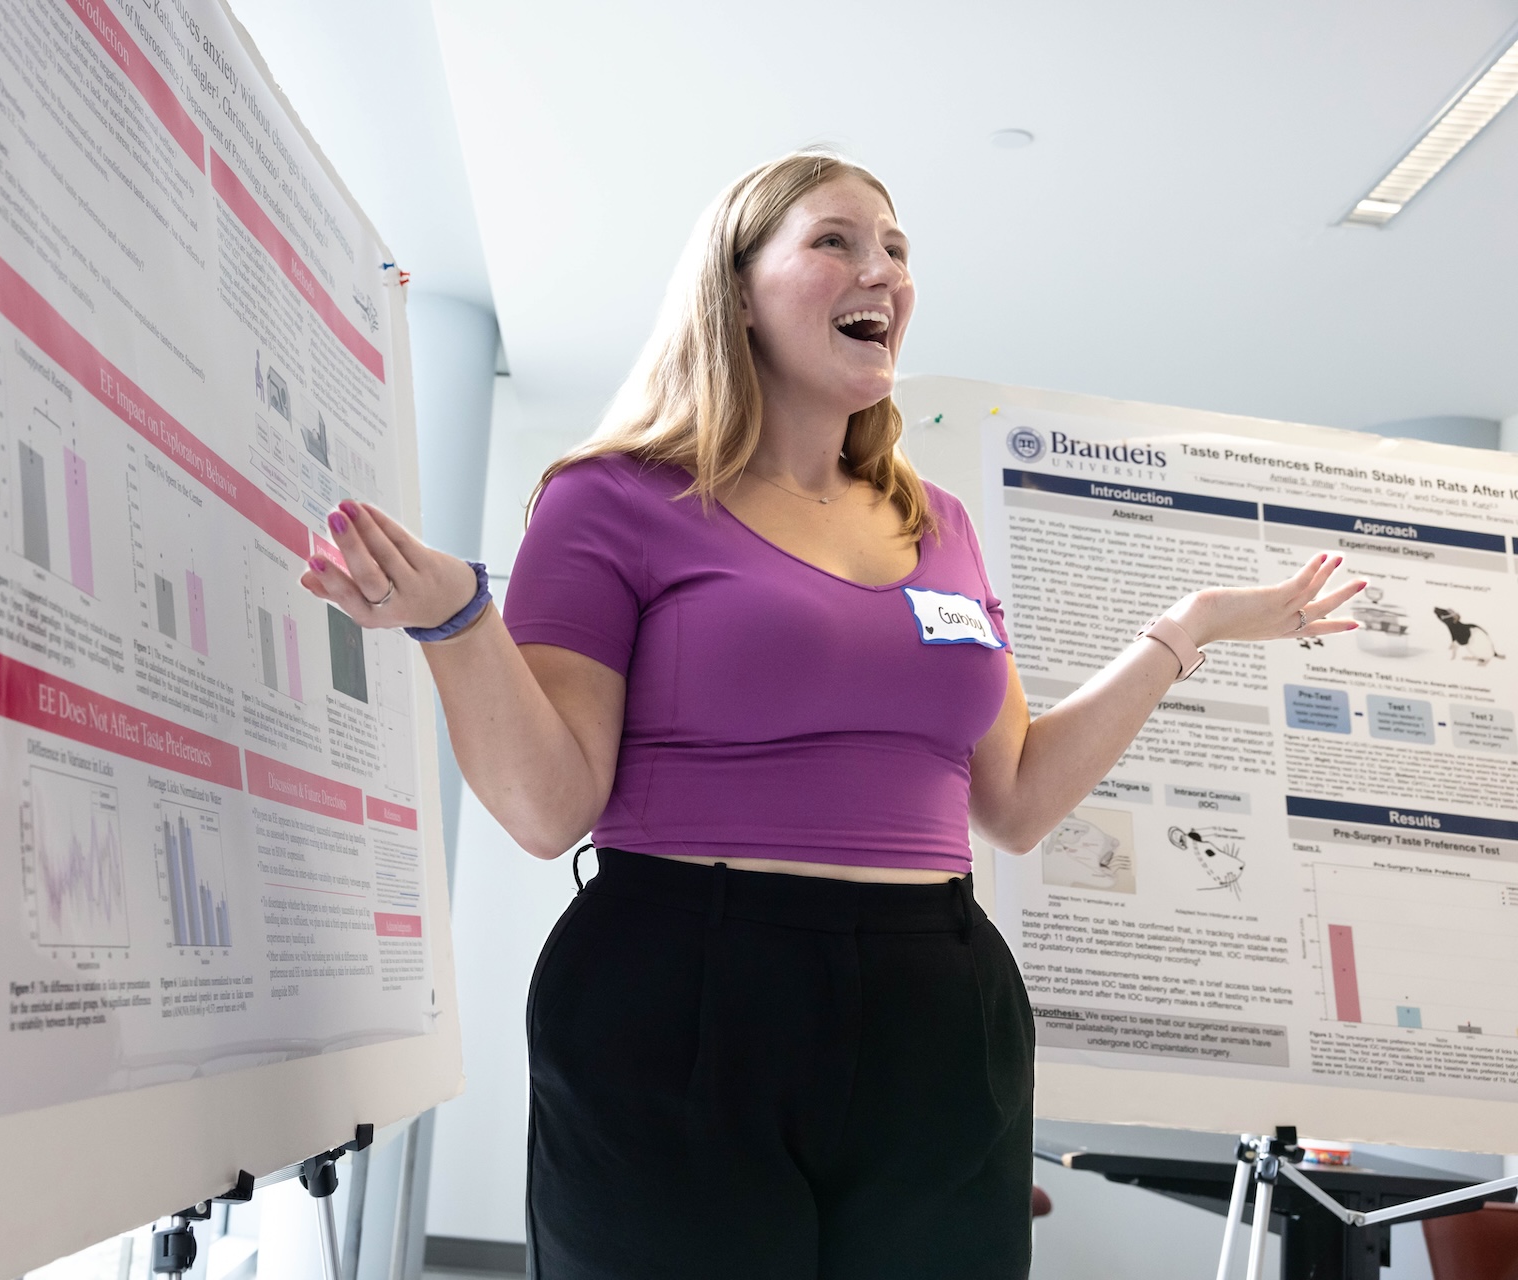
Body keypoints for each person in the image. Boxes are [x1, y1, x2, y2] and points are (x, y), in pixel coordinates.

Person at [298, 150, 1362, 1279]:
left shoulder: (936, 521)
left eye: (898, 249)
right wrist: (461, 620)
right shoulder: (612, 496)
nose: (883, 271)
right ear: (736, 289)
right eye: (837, 241)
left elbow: (1017, 797)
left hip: (938, 994)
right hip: (687, 982)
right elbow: (547, 804)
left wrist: (1182, 629)